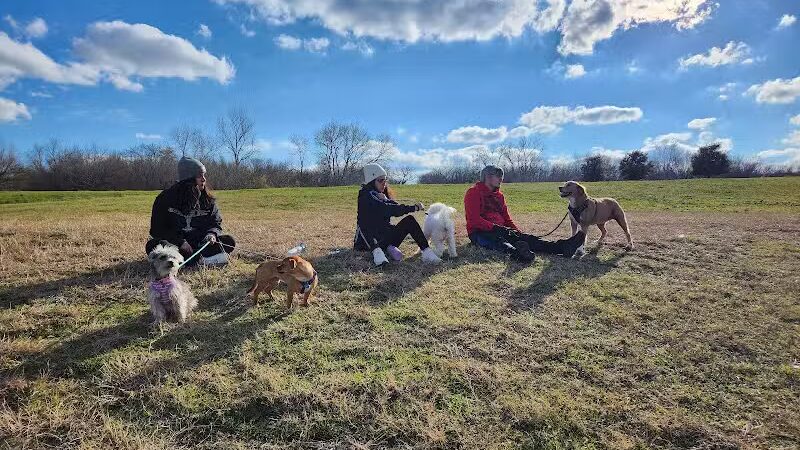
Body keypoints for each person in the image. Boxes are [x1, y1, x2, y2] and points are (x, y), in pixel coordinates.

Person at [464, 165, 585, 262]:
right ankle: (518, 254)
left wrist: (519, 234)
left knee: (529, 239)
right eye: (498, 176)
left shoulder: (499, 196)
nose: (501, 179)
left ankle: (562, 247)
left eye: (502, 176)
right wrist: (496, 228)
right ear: (487, 177)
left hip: (501, 229)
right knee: (498, 242)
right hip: (479, 232)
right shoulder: (474, 192)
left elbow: (506, 218)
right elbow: (473, 220)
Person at [146, 156, 235, 266]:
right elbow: (157, 230)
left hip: (200, 243)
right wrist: (180, 242)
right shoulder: (164, 199)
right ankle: (205, 260)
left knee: (229, 241)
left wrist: (211, 234)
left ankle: (189, 261)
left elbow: (215, 222)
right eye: (199, 176)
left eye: (204, 175)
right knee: (152, 246)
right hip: (175, 246)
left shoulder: (207, 200)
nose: (204, 179)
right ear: (188, 179)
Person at [354, 163, 442, 266]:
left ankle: (426, 252)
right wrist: (413, 207)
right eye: (380, 180)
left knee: (410, 221)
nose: (384, 183)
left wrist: (386, 199)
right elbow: (389, 209)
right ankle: (378, 252)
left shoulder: (379, 195)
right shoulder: (365, 195)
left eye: (385, 180)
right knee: (368, 224)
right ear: (371, 181)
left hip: (384, 238)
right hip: (367, 243)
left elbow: (392, 205)